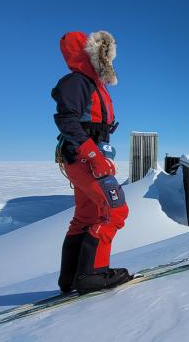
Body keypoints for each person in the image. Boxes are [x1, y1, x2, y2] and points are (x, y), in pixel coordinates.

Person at [52, 31, 130, 294]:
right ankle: (92, 274)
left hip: (83, 157)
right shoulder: (77, 82)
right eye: (102, 52)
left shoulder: (92, 84)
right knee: (116, 210)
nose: (107, 58)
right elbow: (67, 120)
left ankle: (71, 277)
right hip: (85, 157)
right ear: (88, 53)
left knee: (87, 216)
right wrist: (93, 154)